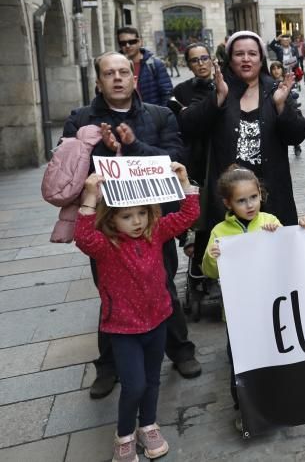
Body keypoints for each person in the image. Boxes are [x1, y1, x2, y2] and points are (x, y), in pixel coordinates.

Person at [63, 52, 200, 400]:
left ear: (135, 78)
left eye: (124, 72)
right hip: (107, 231)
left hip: (152, 224)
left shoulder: (159, 115)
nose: (118, 78)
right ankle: (108, 367)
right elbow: (68, 173)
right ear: (98, 82)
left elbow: (175, 159)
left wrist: (133, 146)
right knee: (111, 296)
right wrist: (104, 152)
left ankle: (180, 350)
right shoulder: (81, 121)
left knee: (164, 285)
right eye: (109, 73)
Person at [75, 164, 199, 462]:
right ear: (111, 217)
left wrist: (185, 183)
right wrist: (90, 197)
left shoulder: (155, 233)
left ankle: (148, 424)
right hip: (123, 329)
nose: (136, 222)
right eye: (127, 216)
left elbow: (188, 215)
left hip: (157, 321)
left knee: (152, 379)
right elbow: (82, 237)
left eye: (142, 214)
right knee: (134, 384)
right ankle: (125, 433)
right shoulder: (106, 245)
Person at [180, 31, 305, 234]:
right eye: (239, 54)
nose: (246, 59)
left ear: (261, 58)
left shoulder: (275, 89)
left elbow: (297, 134)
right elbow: (189, 126)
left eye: (252, 53)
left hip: (272, 195)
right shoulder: (218, 88)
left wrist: (282, 106)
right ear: (230, 59)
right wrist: (218, 98)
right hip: (228, 199)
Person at [201, 166, 285, 434]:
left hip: (270, 308)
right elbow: (209, 272)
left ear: (261, 195)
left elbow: (288, 257)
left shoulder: (271, 221)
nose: (249, 205)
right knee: (240, 363)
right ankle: (245, 408)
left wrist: (279, 237)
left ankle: (275, 403)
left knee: (272, 356)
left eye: (253, 197)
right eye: (241, 200)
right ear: (228, 203)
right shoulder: (219, 232)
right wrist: (213, 257)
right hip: (238, 314)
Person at [167, 43, 215, 268]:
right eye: (195, 60)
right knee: (200, 210)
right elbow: (183, 124)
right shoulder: (182, 90)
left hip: (220, 151)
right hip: (196, 156)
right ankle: (199, 266)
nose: (201, 63)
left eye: (204, 58)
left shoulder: (223, 84)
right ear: (188, 65)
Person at [117, 26, 173, 106]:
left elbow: (167, 94)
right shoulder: (114, 67)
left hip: (152, 115)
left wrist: (161, 115)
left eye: (132, 41)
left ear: (139, 42)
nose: (127, 45)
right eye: (123, 43)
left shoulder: (155, 64)